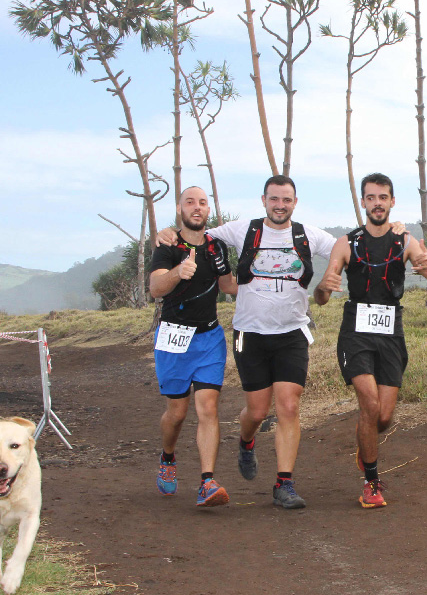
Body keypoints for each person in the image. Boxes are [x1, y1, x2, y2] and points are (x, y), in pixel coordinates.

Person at [157, 175, 405, 510]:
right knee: (257, 411)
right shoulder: (244, 229)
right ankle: (246, 440)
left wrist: (391, 231)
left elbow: (351, 246)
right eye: (274, 199)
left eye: (286, 200)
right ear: (264, 200)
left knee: (288, 406)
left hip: (292, 333)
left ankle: (284, 483)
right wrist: (168, 233)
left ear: (295, 203)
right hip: (250, 333)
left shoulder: (307, 235)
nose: (280, 205)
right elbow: (199, 236)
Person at [314, 173, 427, 508]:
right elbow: (322, 298)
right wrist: (323, 287)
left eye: (382, 197)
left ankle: (366, 446)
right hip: (355, 332)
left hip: (391, 331)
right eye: (370, 197)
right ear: (363, 202)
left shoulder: (406, 241)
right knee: (370, 405)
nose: (377, 203)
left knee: (383, 418)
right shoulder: (346, 243)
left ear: (392, 201)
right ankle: (371, 483)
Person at [148, 186, 238, 507]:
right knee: (177, 413)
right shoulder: (167, 245)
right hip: (173, 338)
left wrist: (264, 285)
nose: (196, 207)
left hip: (210, 338)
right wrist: (178, 271)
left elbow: (228, 285)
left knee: (208, 408)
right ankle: (168, 458)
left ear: (208, 209)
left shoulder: (217, 247)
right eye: (190, 202)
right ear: (180, 209)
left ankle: (207, 482)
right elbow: (156, 287)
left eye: (202, 202)